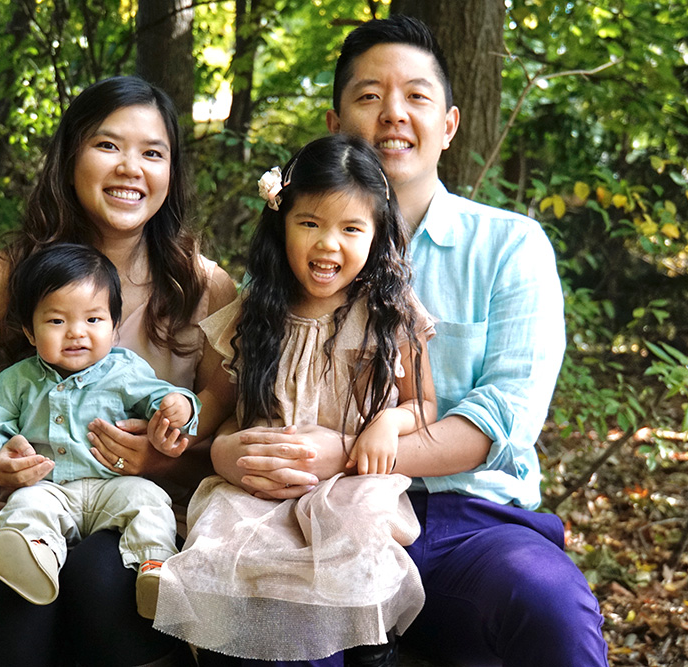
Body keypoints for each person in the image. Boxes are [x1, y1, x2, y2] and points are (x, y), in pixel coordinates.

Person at [209, 15, 610, 667]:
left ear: (448, 124)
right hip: (308, 517)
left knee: (548, 606)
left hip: (468, 523)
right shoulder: (290, 260)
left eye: (416, 96)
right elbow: (244, 399)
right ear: (335, 126)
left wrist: (344, 452)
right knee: (283, 638)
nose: (393, 113)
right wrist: (229, 450)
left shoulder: (510, 247)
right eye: (369, 96)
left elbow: (502, 419)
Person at [0, 76, 238, 667]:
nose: (130, 169)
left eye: (152, 153)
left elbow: (224, 442)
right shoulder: (4, 278)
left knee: (102, 579)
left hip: (145, 512)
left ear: (171, 173)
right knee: (17, 585)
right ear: (71, 157)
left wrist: (163, 454)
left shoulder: (205, 288)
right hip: (22, 508)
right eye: (108, 146)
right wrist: (1, 465)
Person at [152, 134, 436, 662]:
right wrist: (193, 415)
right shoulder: (255, 310)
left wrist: (386, 425)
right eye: (310, 223)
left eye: (351, 228)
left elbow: (423, 404)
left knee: (351, 557)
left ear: (377, 235)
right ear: (280, 222)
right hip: (255, 488)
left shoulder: (388, 316)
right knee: (225, 558)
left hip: (346, 488)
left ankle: (365, 649)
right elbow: (219, 392)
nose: (329, 244)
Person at [0, 242, 200, 619]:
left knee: (149, 499)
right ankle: (34, 558)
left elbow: (158, 397)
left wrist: (179, 406)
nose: (76, 333)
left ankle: (154, 568)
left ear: (115, 327)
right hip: (48, 488)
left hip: (112, 486)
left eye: (93, 320)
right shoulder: (17, 380)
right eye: (57, 321)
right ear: (30, 331)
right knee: (25, 508)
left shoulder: (124, 371)